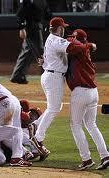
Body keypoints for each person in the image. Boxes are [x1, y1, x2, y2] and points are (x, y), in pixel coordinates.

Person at [30, 17, 95, 159]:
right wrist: (88, 46)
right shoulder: (55, 39)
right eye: (63, 27)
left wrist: (44, 61)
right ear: (59, 28)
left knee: (53, 107)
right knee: (54, 108)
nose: (64, 29)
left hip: (50, 75)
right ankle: (38, 138)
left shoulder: (51, 39)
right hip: (53, 77)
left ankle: (34, 126)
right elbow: (72, 48)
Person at [66, 29, 109, 170]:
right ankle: (105, 156)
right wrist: (90, 44)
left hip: (81, 92)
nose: (72, 39)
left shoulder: (78, 49)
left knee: (75, 125)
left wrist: (89, 44)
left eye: (74, 37)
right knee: (91, 125)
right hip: (93, 93)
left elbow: (71, 43)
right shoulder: (84, 50)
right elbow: (81, 45)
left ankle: (86, 159)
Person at [10, 0, 52, 84]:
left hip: (38, 25)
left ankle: (17, 75)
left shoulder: (42, 1)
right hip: (31, 26)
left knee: (27, 52)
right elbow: (20, 14)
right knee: (39, 51)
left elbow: (47, 14)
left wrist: (49, 23)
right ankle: (47, 74)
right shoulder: (28, 1)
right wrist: (21, 28)